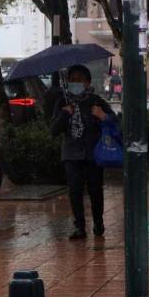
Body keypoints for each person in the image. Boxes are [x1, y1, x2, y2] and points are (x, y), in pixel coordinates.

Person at [51, 65, 117, 240]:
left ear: (87, 82)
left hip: (93, 153)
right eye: (72, 80)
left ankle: (98, 222)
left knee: (95, 190)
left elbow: (115, 122)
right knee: (75, 191)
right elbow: (53, 130)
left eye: (79, 79)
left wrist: (103, 116)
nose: (75, 83)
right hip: (71, 155)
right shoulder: (63, 101)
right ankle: (79, 226)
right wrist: (65, 114)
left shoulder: (95, 101)